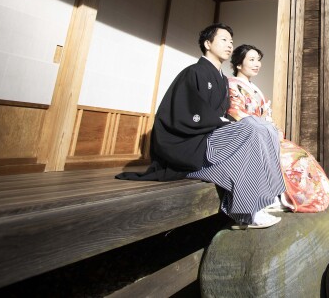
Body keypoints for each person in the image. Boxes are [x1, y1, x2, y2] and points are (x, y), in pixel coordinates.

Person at [117, 24, 284, 229]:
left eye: (231, 41)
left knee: (266, 128)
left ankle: (268, 197)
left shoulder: (222, 79)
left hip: (210, 136)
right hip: (190, 141)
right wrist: (223, 123)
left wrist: (226, 123)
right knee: (251, 126)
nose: (230, 44)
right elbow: (187, 114)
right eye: (223, 40)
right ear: (207, 44)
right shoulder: (193, 72)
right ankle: (246, 212)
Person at [228, 44, 329, 213]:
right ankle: (281, 197)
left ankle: (293, 197)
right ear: (238, 64)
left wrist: (275, 129)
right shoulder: (231, 85)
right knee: (290, 158)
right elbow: (235, 113)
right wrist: (267, 129)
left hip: (264, 133)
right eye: (251, 60)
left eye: (258, 60)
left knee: (301, 155)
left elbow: (266, 116)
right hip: (248, 136)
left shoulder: (255, 89)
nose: (257, 64)